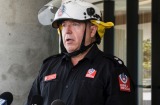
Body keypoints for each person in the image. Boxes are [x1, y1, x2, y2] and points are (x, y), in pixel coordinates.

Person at [25, 0, 135, 105]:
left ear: (92, 31)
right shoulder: (49, 66)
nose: (67, 31)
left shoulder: (111, 68)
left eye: (75, 24)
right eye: (63, 25)